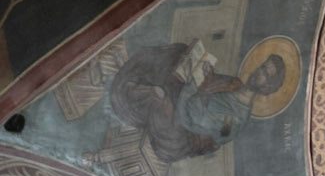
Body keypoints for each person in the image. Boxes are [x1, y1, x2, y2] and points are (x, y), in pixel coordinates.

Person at [108, 43, 289, 166]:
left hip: (181, 134)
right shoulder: (235, 83)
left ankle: (124, 96)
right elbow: (210, 83)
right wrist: (203, 70)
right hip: (183, 101)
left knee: (158, 95)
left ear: (267, 87)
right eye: (262, 67)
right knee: (180, 52)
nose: (258, 72)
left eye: (265, 74)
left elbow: (193, 118)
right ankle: (127, 70)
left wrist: (196, 84)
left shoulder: (235, 121)